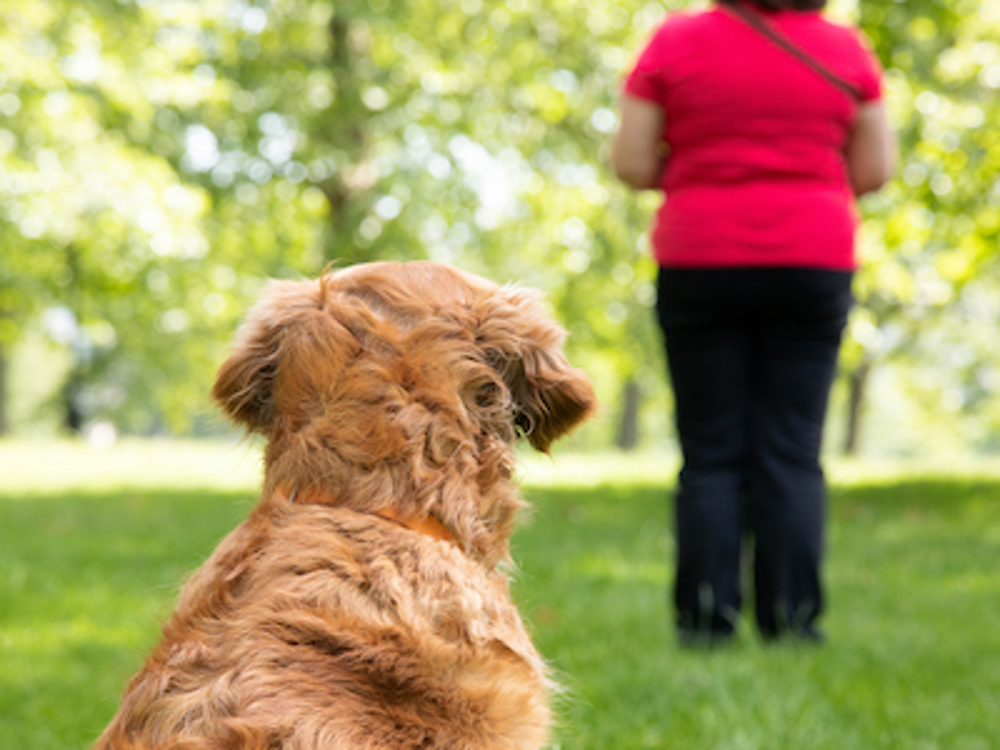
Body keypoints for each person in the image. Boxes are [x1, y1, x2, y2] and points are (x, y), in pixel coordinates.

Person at [611, 0, 896, 644]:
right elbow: (875, 171)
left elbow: (630, 161)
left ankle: (708, 618)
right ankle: (792, 620)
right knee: (792, 449)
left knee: (711, 451)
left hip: (700, 254)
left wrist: (700, 175)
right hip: (812, 256)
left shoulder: (674, 43)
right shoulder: (846, 50)